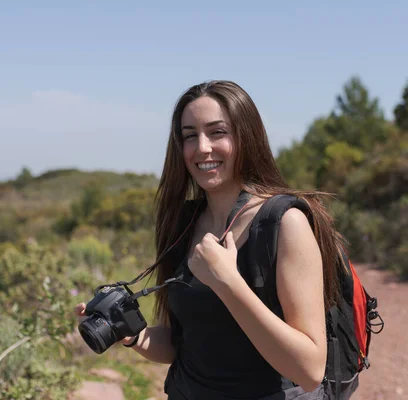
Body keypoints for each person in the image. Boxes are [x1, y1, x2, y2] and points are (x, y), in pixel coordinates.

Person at [75, 80, 347, 399]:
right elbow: (178, 344)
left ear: (247, 137)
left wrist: (228, 283)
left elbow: (310, 371)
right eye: (190, 136)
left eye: (217, 132)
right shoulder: (184, 224)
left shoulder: (285, 223)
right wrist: (131, 334)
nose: (202, 148)